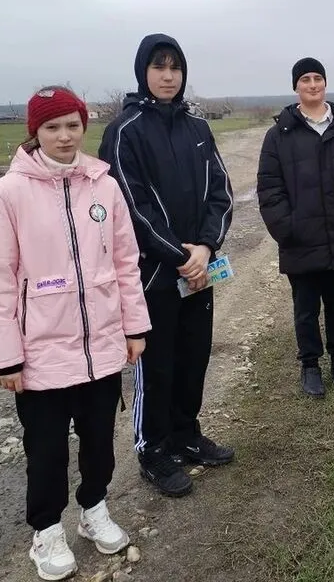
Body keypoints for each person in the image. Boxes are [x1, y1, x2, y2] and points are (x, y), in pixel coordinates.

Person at [0, 87, 150, 581]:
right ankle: (47, 531)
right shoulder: (7, 193)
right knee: (47, 450)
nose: (64, 136)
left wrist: (135, 327)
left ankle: (94, 509)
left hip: (101, 346)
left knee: (99, 441)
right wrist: (6, 357)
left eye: (72, 125)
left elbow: (125, 262)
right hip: (41, 352)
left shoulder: (104, 186)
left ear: (83, 127)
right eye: (52, 127)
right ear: (35, 132)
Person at [98, 33, 235, 498]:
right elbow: (130, 207)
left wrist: (206, 248)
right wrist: (179, 255)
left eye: (175, 67)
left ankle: (186, 434)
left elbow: (221, 193)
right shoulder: (125, 131)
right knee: (157, 366)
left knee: (195, 357)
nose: (168, 76)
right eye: (159, 67)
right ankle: (153, 449)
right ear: (143, 72)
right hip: (154, 275)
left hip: (199, 272)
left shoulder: (198, 128)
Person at [256, 57, 334, 398]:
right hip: (302, 238)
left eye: (317, 78)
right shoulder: (279, 135)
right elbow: (269, 188)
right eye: (305, 79)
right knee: (306, 308)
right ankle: (310, 365)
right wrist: (287, 228)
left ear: (325, 83)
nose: (312, 84)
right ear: (296, 86)